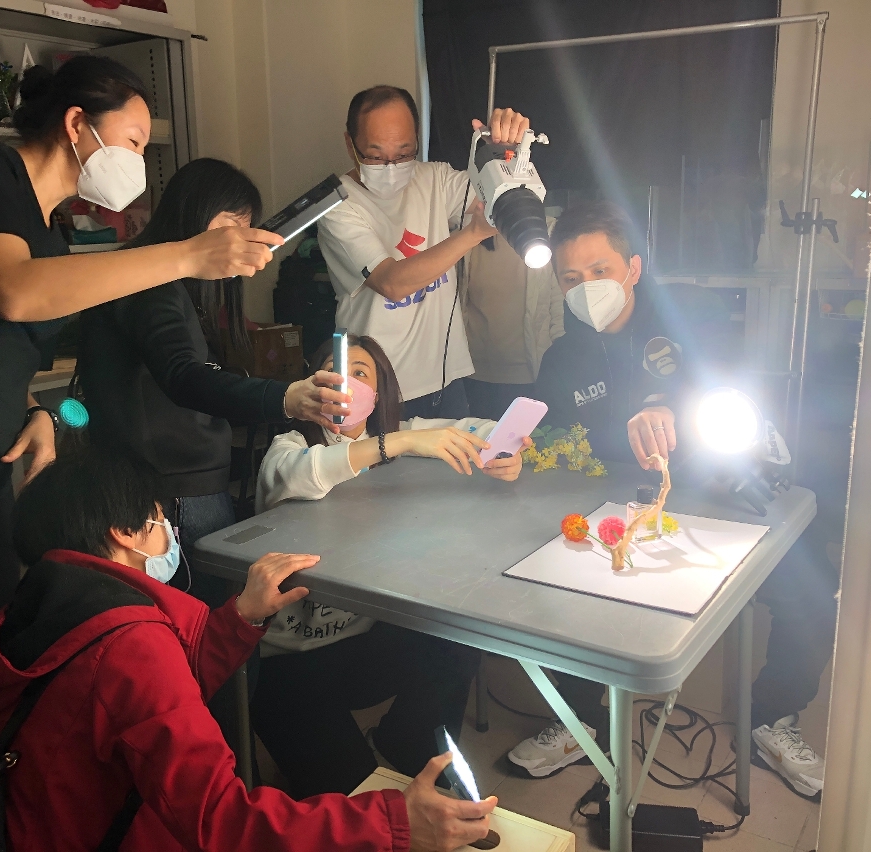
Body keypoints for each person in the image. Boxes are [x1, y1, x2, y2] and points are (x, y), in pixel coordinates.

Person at [0, 56, 285, 848]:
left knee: (0, 699)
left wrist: (36, 410)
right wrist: (186, 255)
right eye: (132, 141)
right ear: (77, 124)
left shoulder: (47, 232)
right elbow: (13, 293)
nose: (137, 161)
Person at [0, 448, 498, 852]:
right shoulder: (130, 646)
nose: (167, 531)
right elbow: (221, 822)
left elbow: (140, 708)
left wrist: (238, 621)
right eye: (158, 518)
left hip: (31, 825)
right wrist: (392, 823)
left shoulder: (38, 606)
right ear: (124, 533)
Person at [506, 201, 834, 800]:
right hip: (616, 510)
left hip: (718, 490)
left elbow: (737, 387)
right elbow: (549, 439)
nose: (587, 289)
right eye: (571, 279)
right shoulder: (562, 359)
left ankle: (772, 718)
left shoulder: (694, 322)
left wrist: (670, 404)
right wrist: (520, 448)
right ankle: (578, 718)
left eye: (600, 271)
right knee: (552, 581)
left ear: (633, 268)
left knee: (811, 589)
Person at [78, 157, 350, 757]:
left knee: (212, 644)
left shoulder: (164, 285)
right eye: (231, 226)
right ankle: (214, 771)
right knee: (207, 651)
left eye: (248, 229)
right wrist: (285, 398)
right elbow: (185, 376)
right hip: (170, 497)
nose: (240, 243)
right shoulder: (152, 283)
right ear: (193, 214)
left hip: (176, 487)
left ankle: (220, 766)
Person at [252, 334, 528, 797]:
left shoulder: (400, 435)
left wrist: (505, 451)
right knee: (358, 801)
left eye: (359, 373)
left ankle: (409, 741)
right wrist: (401, 441)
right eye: (334, 369)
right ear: (313, 385)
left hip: (366, 642)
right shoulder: (291, 445)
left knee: (459, 639)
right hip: (289, 663)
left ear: (377, 396)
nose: (344, 381)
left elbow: (480, 428)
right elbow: (306, 472)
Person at [317, 85, 531, 419]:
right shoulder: (336, 205)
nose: (391, 166)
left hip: (446, 379)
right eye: (376, 156)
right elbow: (392, 283)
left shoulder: (433, 179)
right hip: (376, 387)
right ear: (350, 144)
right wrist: (473, 233)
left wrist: (506, 153)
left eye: (404, 153)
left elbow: (501, 195)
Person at [461, 235, 564, 420]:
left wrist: (561, 367)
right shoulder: (468, 237)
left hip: (532, 374)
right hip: (476, 376)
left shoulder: (546, 235)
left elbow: (558, 310)